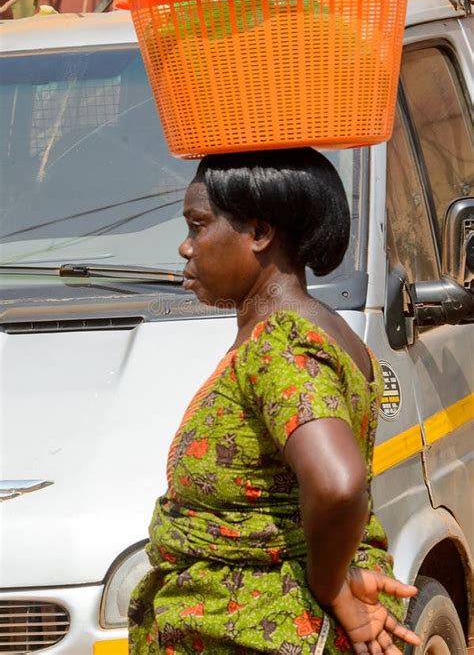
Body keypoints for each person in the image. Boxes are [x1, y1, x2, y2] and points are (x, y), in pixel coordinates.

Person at [129, 148, 421, 655]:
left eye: (198, 225)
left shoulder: (281, 345)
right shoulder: (317, 331)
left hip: (270, 629)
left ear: (260, 233)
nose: (184, 247)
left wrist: (330, 582)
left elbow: (338, 483)